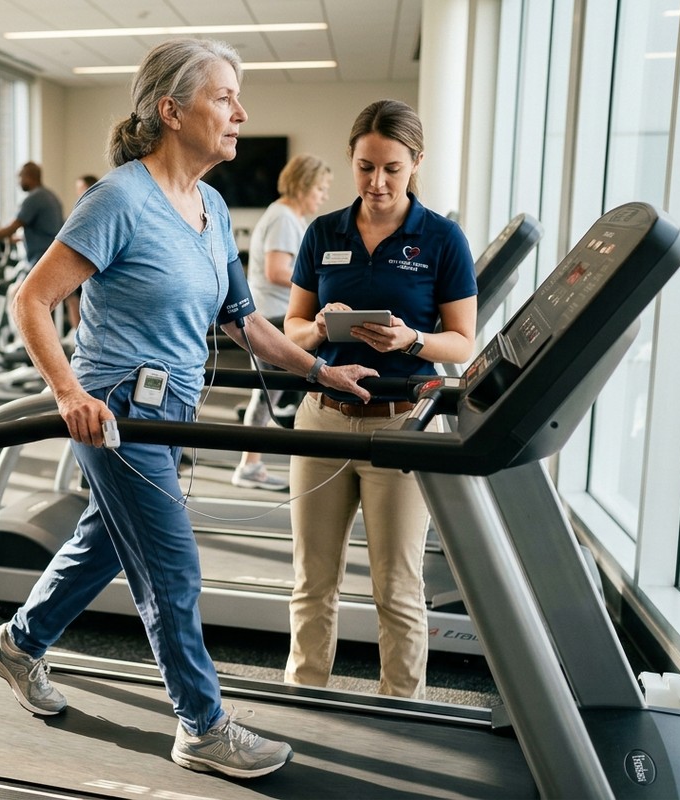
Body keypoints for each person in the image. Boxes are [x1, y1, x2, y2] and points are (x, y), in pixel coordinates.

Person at [0, 37, 377, 780]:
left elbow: (246, 324)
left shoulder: (212, 206)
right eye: (224, 97)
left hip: (171, 411)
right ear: (171, 110)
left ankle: (18, 643)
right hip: (117, 410)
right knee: (173, 567)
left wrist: (322, 372)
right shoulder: (119, 199)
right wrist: (68, 393)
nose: (240, 113)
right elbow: (30, 299)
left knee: (104, 543)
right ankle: (201, 725)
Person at [283, 99, 478, 698]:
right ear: (351, 159)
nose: (377, 183)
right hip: (322, 419)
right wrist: (319, 327)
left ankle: (403, 710)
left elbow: (462, 342)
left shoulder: (442, 239)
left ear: (416, 162)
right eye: (366, 167)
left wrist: (410, 339)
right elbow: (292, 327)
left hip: (400, 426)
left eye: (392, 169)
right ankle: (303, 698)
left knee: (396, 586)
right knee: (312, 581)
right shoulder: (324, 232)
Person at [231, 154, 332, 491]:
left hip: (274, 315)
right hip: (273, 317)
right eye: (320, 189)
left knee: (271, 395)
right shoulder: (284, 218)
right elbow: (277, 271)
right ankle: (250, 465)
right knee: (268, 395)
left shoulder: (289, 217)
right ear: (304, 184)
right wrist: (318, 288)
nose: (323, 196)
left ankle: (253, 462)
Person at [0, 161, 64, 268]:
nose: (18, 182)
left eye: (20, 177)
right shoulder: (50, 196)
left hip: (41, 258)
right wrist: (18, 239)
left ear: (28, 176)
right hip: (51, 256)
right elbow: (46, 231)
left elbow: (10, 229)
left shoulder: (34, 199)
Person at [63, 174, 99, 336]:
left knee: (72, 295)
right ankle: (75, 332)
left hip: (87, 265)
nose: (78, 193)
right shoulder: (84, 209)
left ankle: (76, 332)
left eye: (81, 189)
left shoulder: (91, 209)